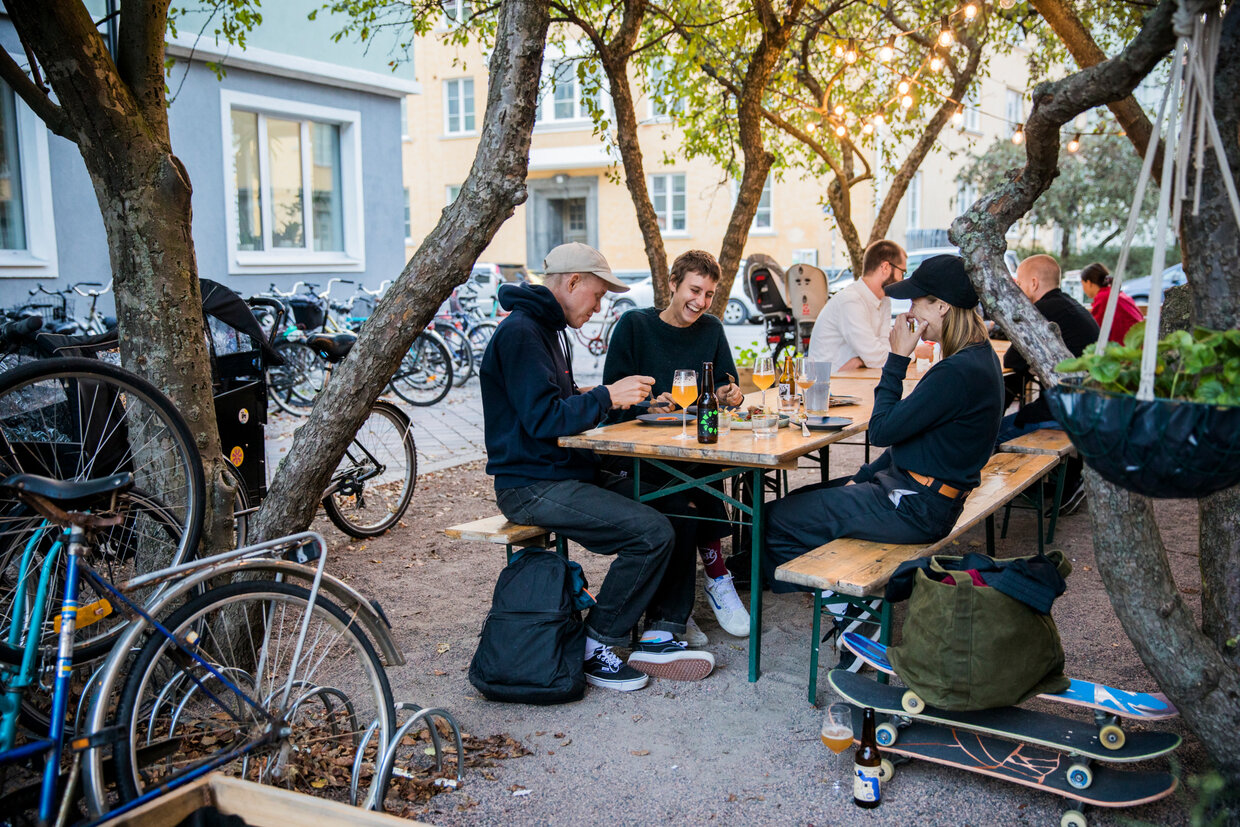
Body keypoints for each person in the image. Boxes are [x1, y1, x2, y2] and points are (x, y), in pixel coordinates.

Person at [480, 242, 715, 691]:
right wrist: (607, 396)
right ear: (572, 283)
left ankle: (662, 630)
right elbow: (543, 419)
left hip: (563, 472)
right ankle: (597, 644)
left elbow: (553, 400)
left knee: (677, 505)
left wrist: (611, 395)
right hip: (530, 487)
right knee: (651, 532)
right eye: (598, 294)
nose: (599, 305)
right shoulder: (523, 333)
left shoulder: (546, 329)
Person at [763, 256, 1004, 643]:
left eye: (916, 303)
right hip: (919, 493)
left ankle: (849, 609)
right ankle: (825, 587)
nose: (908, 312)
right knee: (805, 497)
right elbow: (911, 437)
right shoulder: (975, 357)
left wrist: (896, 357)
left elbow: (882, 430)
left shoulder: (957, 371)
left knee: (777, 518)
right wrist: (860, 478)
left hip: (916, 506)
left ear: (941, 306)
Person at [602, 250, 750, 643]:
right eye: (694, 290)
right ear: (672, 283)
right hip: (641, 454)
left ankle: (698, 594)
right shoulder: (634, 325)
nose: (701, 302)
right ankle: (710, 582)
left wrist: (730, 393)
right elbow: (611, 400)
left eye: (709, 294)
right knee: (688, 490)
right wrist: (645, 404)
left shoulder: (712, 329)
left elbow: (725, 385)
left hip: (692, 447)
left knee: (705, 471)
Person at [999, 254, 1098, 515]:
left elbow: (1012, 360)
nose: (1018, 291)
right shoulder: (1070, 305)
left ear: (1033, 283)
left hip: (1067, 412)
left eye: (1019, 284)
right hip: (1090, 405)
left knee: (992, 433)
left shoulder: (1043, 310)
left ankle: (989, 493)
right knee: (1015, 408)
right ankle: (1061, 481)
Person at [807, 240, 908, 370]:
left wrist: (861, 361)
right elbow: (878, 360)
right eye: (902, 273)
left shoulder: (884, 301)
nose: (903, 280)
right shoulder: (850, 301)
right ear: (885, 268)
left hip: (854, 378)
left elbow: (884, 349)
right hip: (828, 385)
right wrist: (914, 354)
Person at [1080, 262, 1143, 344]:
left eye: (1082, 284)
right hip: (1138, 344)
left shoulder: (1104, 298)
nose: (1083, 289)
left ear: (1088, 283)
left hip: (1127, 348)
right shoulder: (1114, 293)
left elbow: (1094, 330)